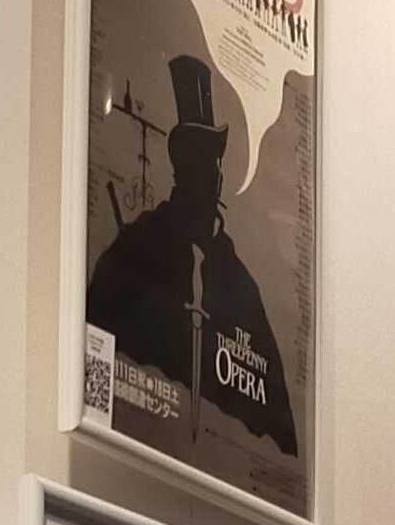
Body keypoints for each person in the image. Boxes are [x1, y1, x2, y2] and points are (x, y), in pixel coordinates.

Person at [81, 55, 300, 458]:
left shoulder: (240, 288)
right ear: (180, 171)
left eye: (213, 163)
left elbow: (280, 439)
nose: (209, 177)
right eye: (197, 164)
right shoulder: (134, 252)